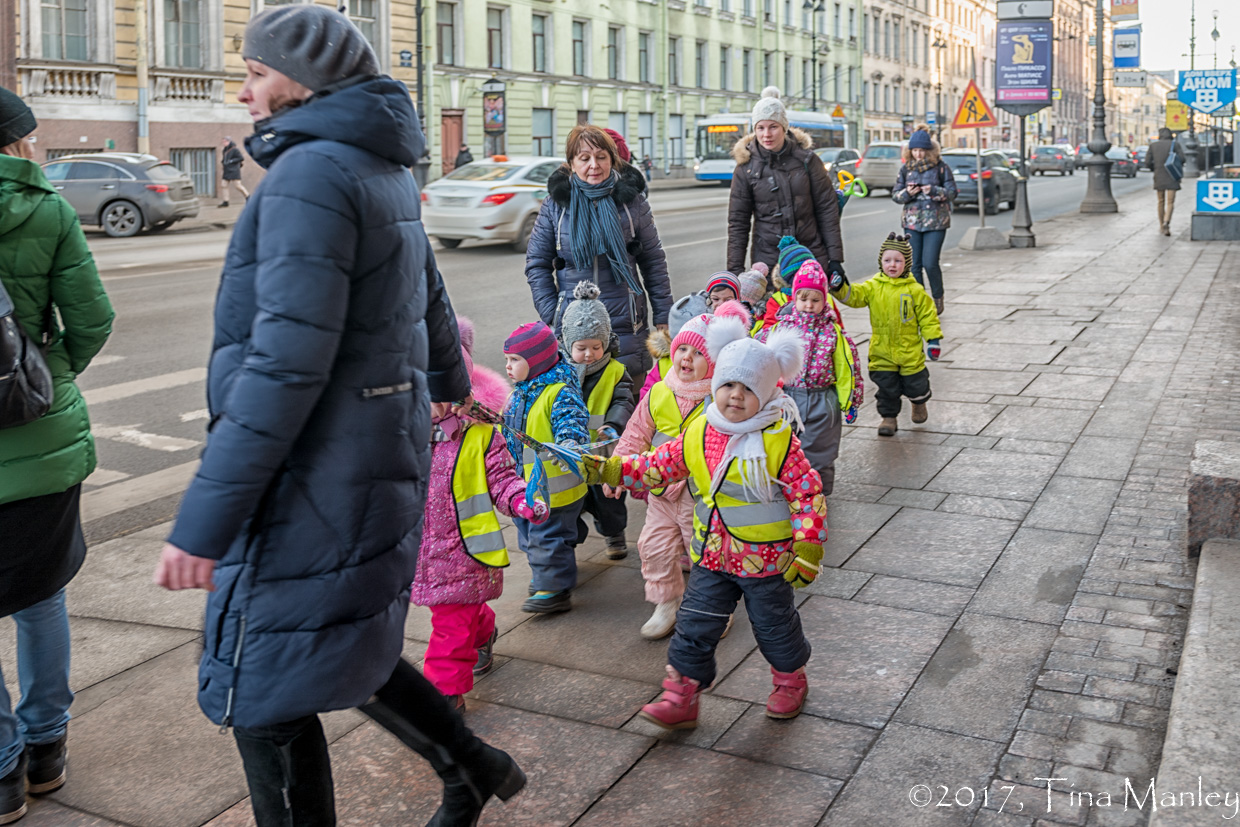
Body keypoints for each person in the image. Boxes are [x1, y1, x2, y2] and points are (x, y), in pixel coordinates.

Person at [152, 8, 525, 826]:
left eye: (254, 71)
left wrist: (205, 521)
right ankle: (472, 765)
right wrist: (451, 381)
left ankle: (470, 766)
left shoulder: (309, 174)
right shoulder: (374, 163)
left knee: (264, 686)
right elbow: (428, 289)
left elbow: (283, 368)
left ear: (303, 78)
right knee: (333, 639)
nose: (243, 90)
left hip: (312, 473)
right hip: (367, 456)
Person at [585, 316, 827, 729]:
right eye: (729, 385)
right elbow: (657, 464)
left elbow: (807, 493)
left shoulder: (777, 440)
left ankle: (789, 680)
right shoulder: (701, 430)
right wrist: (612, 470)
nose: (735, 396)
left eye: (748, 388)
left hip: (766, 562)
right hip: (712, 557)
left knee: (774, 627)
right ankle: (681, 694)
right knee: (694, 626)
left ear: (766, 392)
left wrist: (807, 549)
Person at [0, 87, 114, 825]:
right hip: (40, 444)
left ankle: (1, 772)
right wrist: (46, 374)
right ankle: (45, 747)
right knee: (41, 595)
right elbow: (94, 318)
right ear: (15, 144)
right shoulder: (47, 208)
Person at [412, 316, 549, 712]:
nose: (430, 404)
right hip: (420, 550)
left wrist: (523, 500)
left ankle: (446, 696)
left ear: (459, 391)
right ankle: (484, 630)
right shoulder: (402, 434)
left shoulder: (480, 435)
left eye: (437, 394)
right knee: (461, 613)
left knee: (450, 625)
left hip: (466, 551)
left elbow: (503, 479)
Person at [526, 125, 673, 379]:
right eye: (584, 158)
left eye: (601, 157)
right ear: (572, 163)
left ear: (612, 161)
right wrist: (554, 313)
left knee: (629, 403)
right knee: (575, 409)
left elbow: (653, 261)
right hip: (573, 326)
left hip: (626, 323)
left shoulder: (632, 202)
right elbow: (537, 264)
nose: (594, 165)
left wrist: (664, 314)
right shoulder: (555, 206)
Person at [611, 312, 713, 639]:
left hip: (700, 497)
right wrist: (617, 469)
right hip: (662, 490)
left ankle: (713, 608)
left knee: (702, 552)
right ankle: (666, 602)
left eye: (699, 353)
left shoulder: (717, 401)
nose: (687, 358)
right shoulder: (660, 392)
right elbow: (635, 433)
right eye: (683, 349)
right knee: (653, 546)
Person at [502, 321, 591, 613]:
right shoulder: (519, 393)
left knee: (546, 536)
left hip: (556, 487)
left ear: (537, 361)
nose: (508, 366)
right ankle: (548, 572)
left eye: (515, 360)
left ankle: (553, 587)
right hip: (527, 486)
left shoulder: (559, 391)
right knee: (528, 533)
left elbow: (572, 420)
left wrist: (568, 442)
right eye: (507, 360)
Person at [727, 87, 845, 283]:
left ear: (784, 127)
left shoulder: (807, 160)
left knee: (813, 310)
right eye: (760, 128)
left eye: (773, 126)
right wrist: (734, 271)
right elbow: (738, 223)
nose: (766, 134)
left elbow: (827, 210)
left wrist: (835, 259)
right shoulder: (746, 168)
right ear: (754, 129)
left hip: (810, 254)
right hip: (769, 261)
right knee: (774, 312)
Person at [830, 233, 942, 438]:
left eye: (898, 261)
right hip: (882, 350)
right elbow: (853, 297)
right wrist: (838, 287)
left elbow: (928, 317)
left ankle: (919, 402)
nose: (892, 265)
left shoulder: (915, 290)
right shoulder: (873, 286)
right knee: (886, 387)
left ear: (906, 264)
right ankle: (888, 418)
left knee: (916, 383)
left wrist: (933, 340)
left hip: (910, 350)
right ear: (880, 262)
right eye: (887, 260)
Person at [771, 260, 862, 495]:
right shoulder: (782, 328)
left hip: (823, 400)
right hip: (788, 397)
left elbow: (847, 369)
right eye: (803, 299)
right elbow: (767, 362)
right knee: (782, 447)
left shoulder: (833, 332)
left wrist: (850, 401)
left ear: (825, 300)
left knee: (821, 450)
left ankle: (817, 494)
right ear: (794, 298)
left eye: (815, 299)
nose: (809, 305)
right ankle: (786, 492)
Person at [560, 281, 635, 561]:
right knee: (572, 499)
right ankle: (569, 541)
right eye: (582, 347)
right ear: (569, 343)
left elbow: (624, 401)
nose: (589, 354)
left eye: (596, 346)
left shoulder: (615, 371)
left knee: (609, 500)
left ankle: (614, 532)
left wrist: (613, 425)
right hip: (573, 449)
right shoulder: (560, 372)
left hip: (604, 449)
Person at [893, 127, 957, 315]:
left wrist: (934, 191)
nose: (918, 154)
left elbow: (952, 193)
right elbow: (895, 196)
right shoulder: (906, 169)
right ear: (910, 151)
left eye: (922, 150)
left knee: (930, 263)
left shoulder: (941, 167)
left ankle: (938, 297)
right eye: (915, 150)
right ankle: (920, 302)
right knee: (914, 265)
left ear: (929, 150)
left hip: (936, 222)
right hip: (912, 222)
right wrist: (907, 193)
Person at [639, 291, 710, 401]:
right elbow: (646, 397)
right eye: (682, 348)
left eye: (698, 351)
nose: (687, 356)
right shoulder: (663, 365)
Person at [1146, 127, 1185, 237]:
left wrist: (1155, 168)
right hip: (1172, 175)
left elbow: (1147, 162)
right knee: (1170, 202)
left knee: (1161, 201)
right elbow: (1182, 159)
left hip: (1159, 176)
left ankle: (1161, 225)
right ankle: (1167, 221)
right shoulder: (1175, 145)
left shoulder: (1153, 146)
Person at [219, 137, 249, 207]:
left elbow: (241, 158)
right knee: (224, 185)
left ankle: (248, 197)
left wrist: (232, 161)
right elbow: (225, 158)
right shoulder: (224, 150)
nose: (223, 143)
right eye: (223, 142)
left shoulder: (235, 149)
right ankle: (226, 201)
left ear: (229, 141)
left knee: (238, 185)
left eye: (224, 142)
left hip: (234, 170)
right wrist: (223, 162)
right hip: (227, 170)